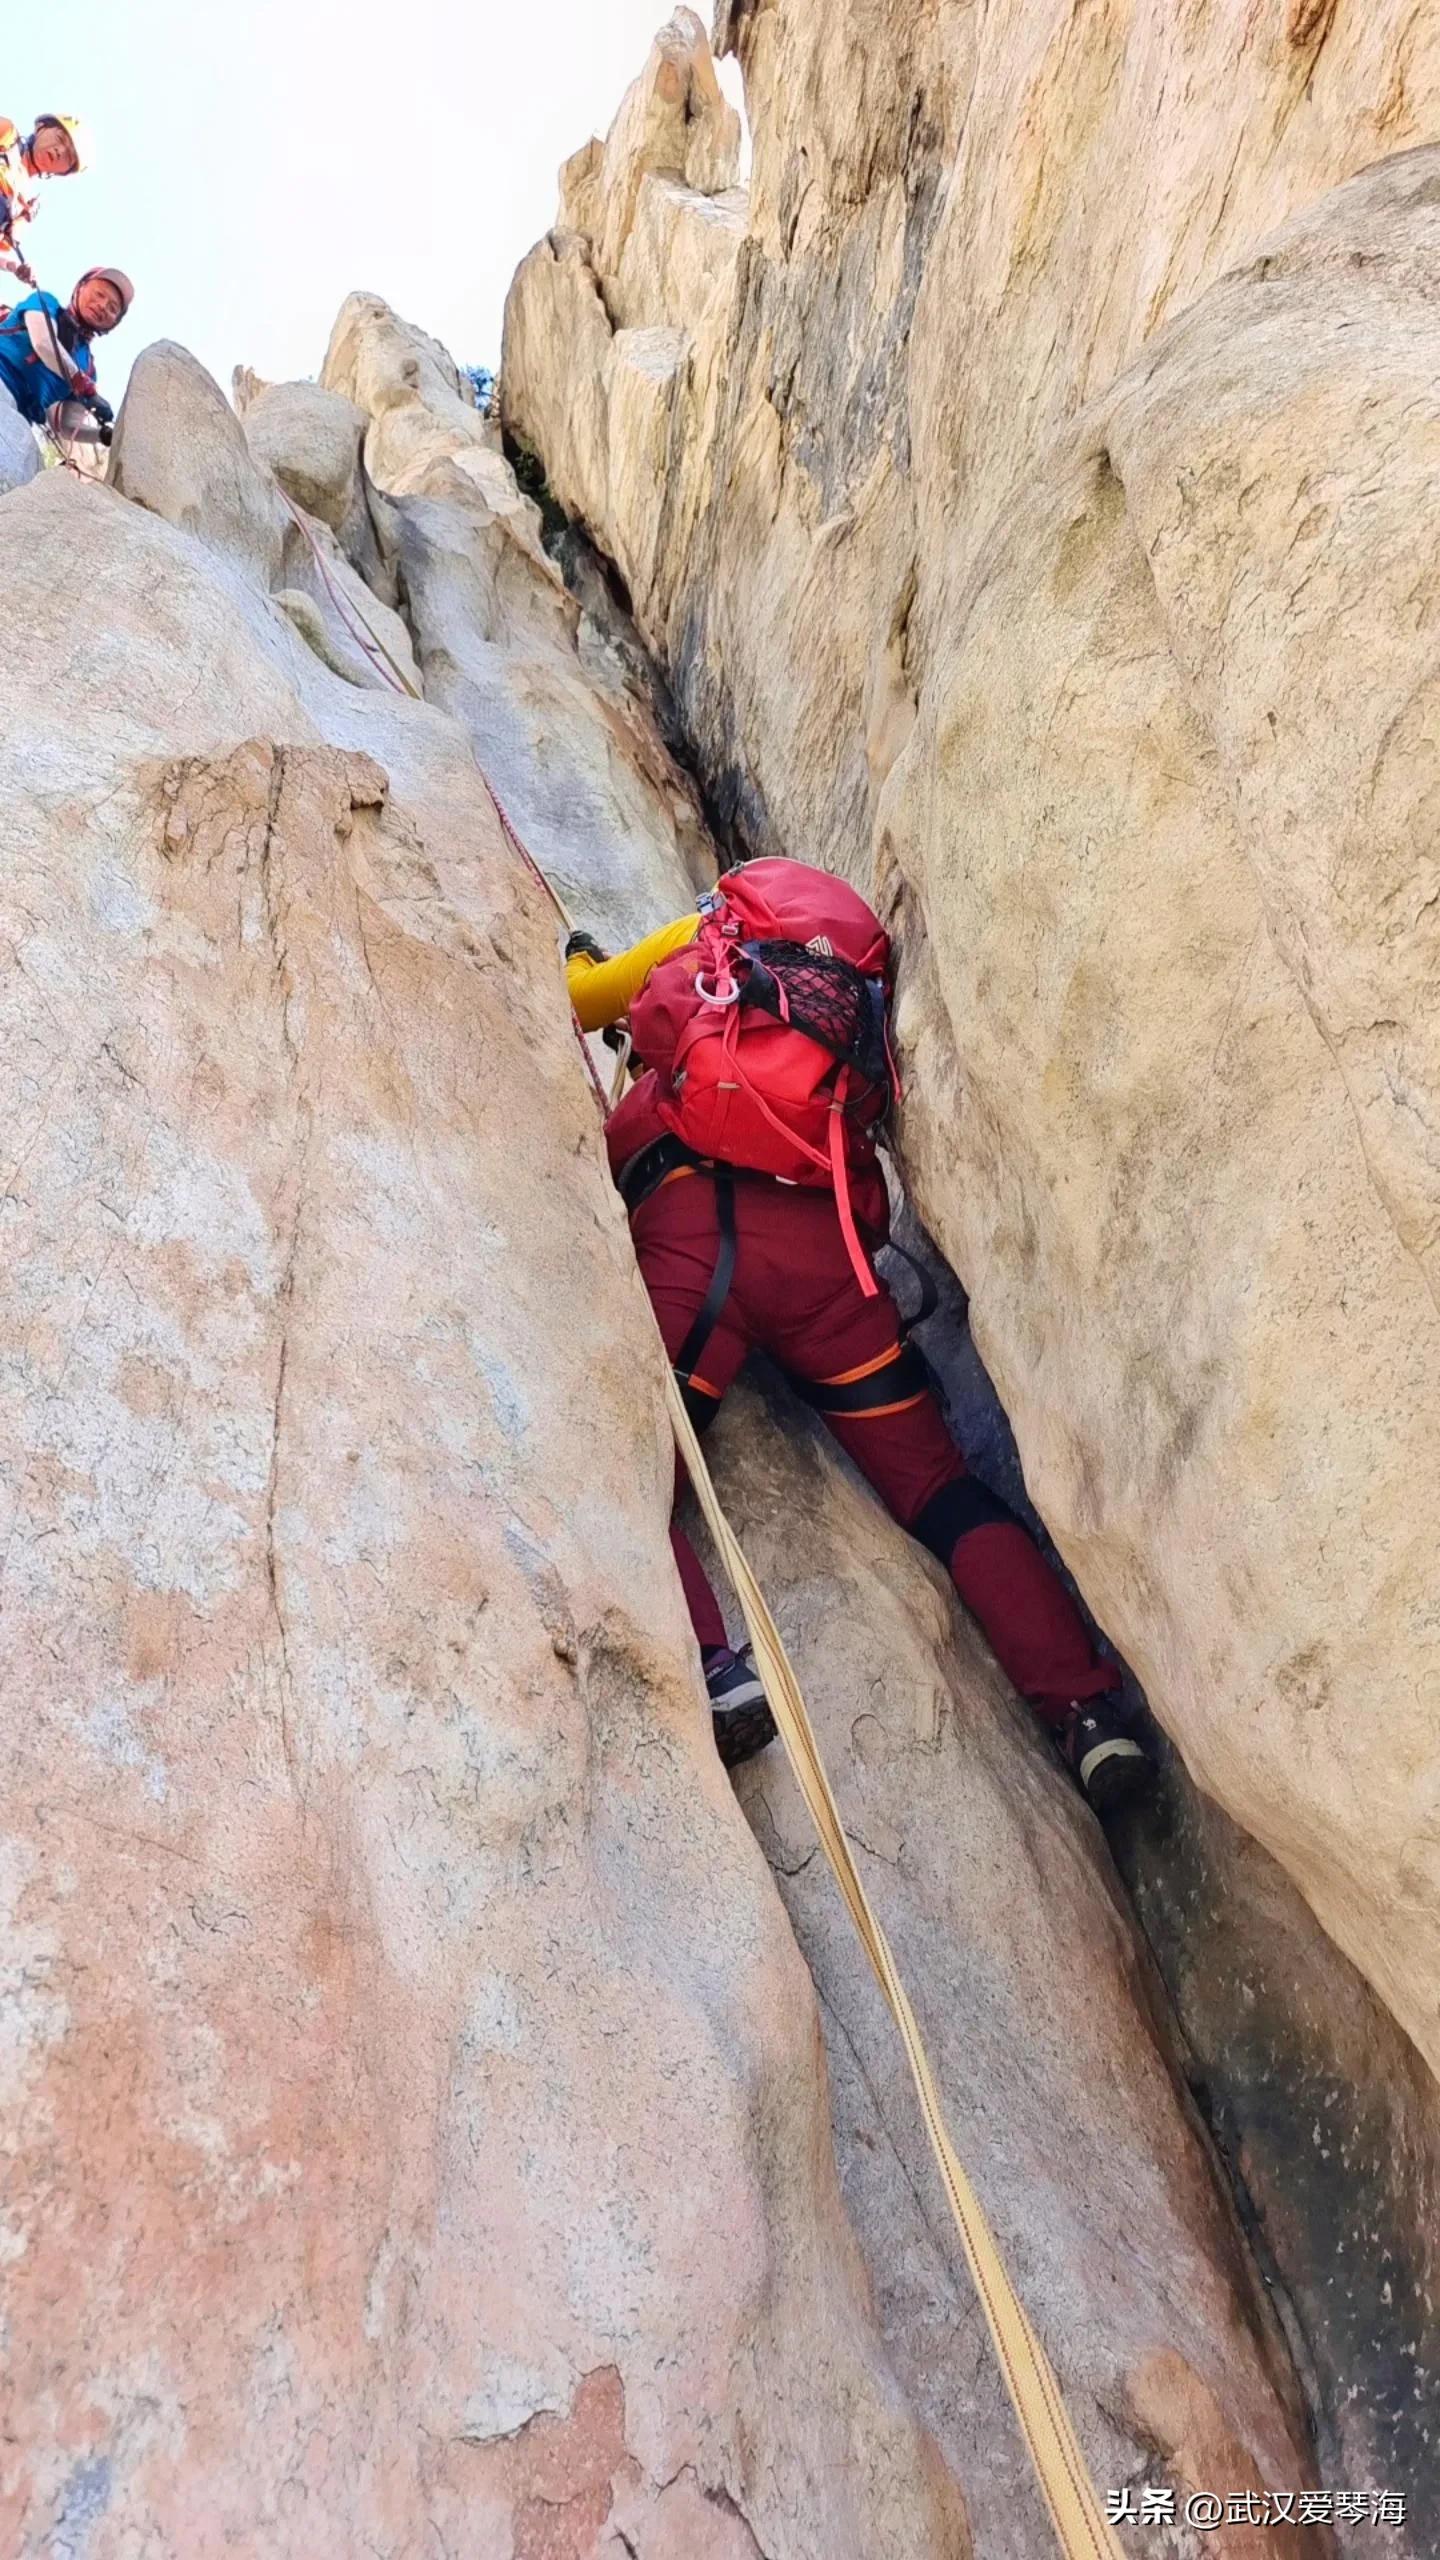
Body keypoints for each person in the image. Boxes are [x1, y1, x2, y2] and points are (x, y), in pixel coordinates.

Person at [566, 861, 1155, 1813]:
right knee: (941, 1491)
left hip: (695, 1246)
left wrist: (595, 974)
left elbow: (583, 998)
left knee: (631, 1468)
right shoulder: (842, 995)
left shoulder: (711, 944)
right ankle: (1089, 1716)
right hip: (826, 1263)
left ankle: (718, 1668)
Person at [0, 267, 132, 477]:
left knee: (24, 477)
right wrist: (86, 390)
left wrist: (102, 435)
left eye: (112, 308)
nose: (102, 306)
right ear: (80, 288)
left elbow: (66, 426)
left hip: (20, 417)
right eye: (99, 294)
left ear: (114, 323)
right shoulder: (46, 302)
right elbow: (44, 343)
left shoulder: (87, 367)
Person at [0, 116, 86, 282]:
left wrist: (14, 266)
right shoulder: (7, 134)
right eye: (59, 138)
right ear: (41, 127)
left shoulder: (23, 208)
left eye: (68, 156)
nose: (59, 151)